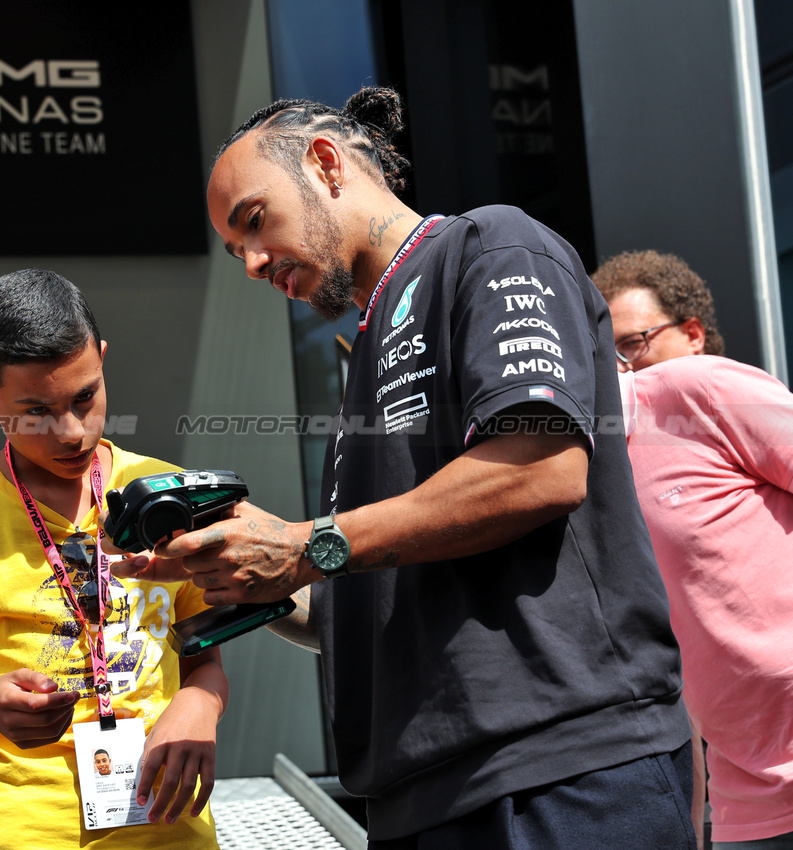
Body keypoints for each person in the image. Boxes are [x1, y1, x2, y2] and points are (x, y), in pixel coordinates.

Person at [116, 87, 694, 847]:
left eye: (255, 223)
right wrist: (236, 567)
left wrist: (304, 544)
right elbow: (364, 599)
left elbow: (540, 470)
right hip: (418, 798)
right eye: (234, 251)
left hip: (559, 775)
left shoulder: (488, 246)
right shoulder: (364, 358)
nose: (253, 263)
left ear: (325, 164)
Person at [0, 269, 227, 850]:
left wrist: (199, 703)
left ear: (102, 360)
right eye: (37, 411)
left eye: (85, 397)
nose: (72, 431)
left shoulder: (163, 490)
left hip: (169, 826)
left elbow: (203, 659)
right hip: (19, 831)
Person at [595, 250, 793, 849]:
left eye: (634, 343)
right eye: (608, 350)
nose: (622, 365)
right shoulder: (587, 470)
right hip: (748, 797)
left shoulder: (703, 386)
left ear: (692, 336)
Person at [591, 249, 724, 371]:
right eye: (604, 354)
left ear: (693, 335)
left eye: (632, 342)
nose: (617, 367)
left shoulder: (741, 392)